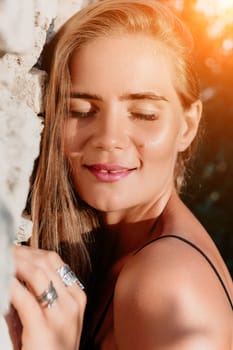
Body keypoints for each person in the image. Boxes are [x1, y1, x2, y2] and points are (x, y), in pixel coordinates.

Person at [7, 0, 233, 349]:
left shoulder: (168, 283)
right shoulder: (121, 253)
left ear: (187, 126)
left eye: (143, 113)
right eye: (80, 110)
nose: (109, 138)